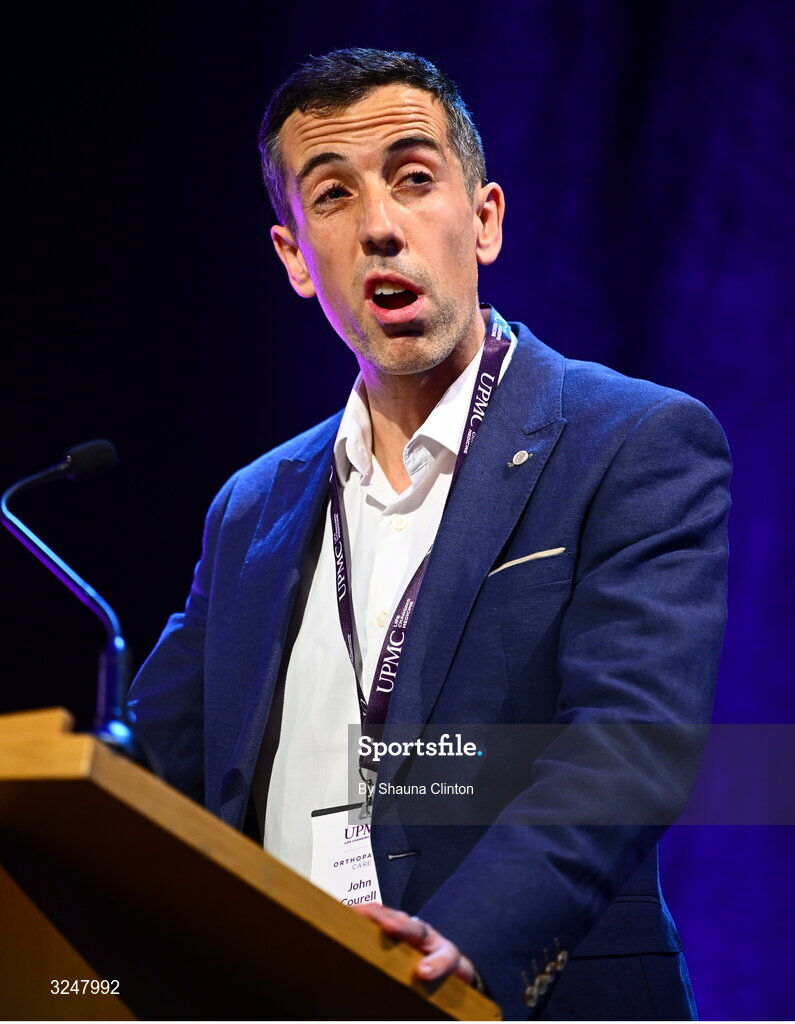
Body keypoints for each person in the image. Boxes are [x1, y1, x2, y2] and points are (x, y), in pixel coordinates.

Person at [127, 48, 731, 1020]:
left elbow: (630, 744)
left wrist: (469, 944)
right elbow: (142, 768)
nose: (379, 228)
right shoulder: (250, 508)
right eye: (332, 197)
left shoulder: (633, 442)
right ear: (292, 255)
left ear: (484, 217)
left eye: (413, 180)